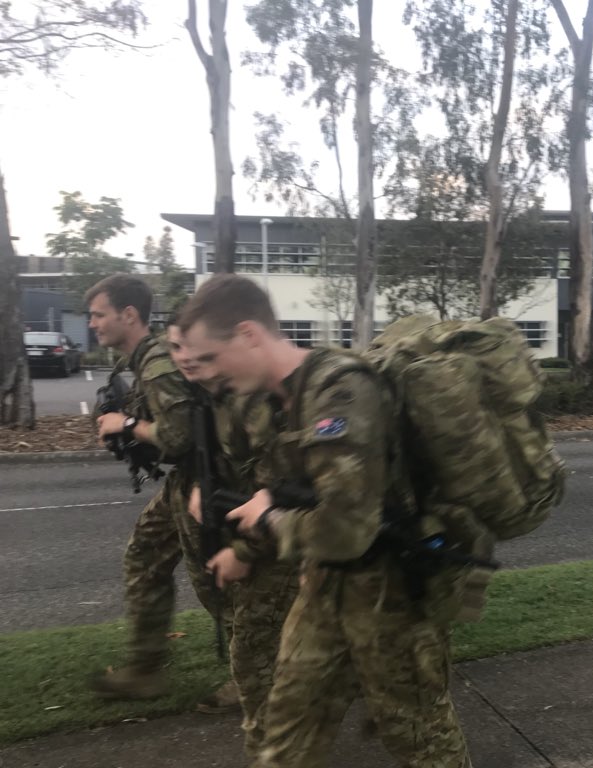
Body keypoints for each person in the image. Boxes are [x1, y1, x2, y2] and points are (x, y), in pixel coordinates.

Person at [177, 274, 473, 768]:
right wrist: (246, 545)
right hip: (324, 586)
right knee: (286, 728)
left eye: (210, 357)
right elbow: (287, 493)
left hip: (392, 596)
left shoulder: (340, 391)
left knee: (419, 735)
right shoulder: (280, 401)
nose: (204, 373)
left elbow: (345, 529)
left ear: (248, 334)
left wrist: (267, 520)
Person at [85, 275, 238, 713]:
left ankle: (255, 674)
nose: (92, 324)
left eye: (98, 314)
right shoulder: (144, 360)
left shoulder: (157, 362)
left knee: (216, 581)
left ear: (128, 314)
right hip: (185, 480)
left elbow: (180, 436)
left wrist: (127, 425)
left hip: (205, 479)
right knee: (145, 555)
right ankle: (145, 669)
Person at [167, 321, 300, 759]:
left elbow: (279, 489)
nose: (185, 357)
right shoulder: (210, 394)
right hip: (262, 530)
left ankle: (274, 750)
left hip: (281, 538)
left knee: (254, 650)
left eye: (196, 349)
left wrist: (244, 551)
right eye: (176, 347)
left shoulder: (249, 397)